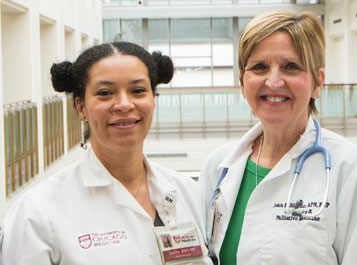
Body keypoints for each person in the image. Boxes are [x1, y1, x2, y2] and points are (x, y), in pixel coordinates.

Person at [200, 11, 357, 265]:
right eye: (259, 67)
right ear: (242, 83)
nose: (274, 81)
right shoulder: (219, 166)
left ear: (317, 82)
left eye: (291, 67)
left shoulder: (353, 169)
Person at [1, 42, 213, 265]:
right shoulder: (37, 213)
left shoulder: (189, 192)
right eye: (105, 93)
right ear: (81, 107)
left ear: (153, 99)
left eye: (138, 90)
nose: (123, 104)